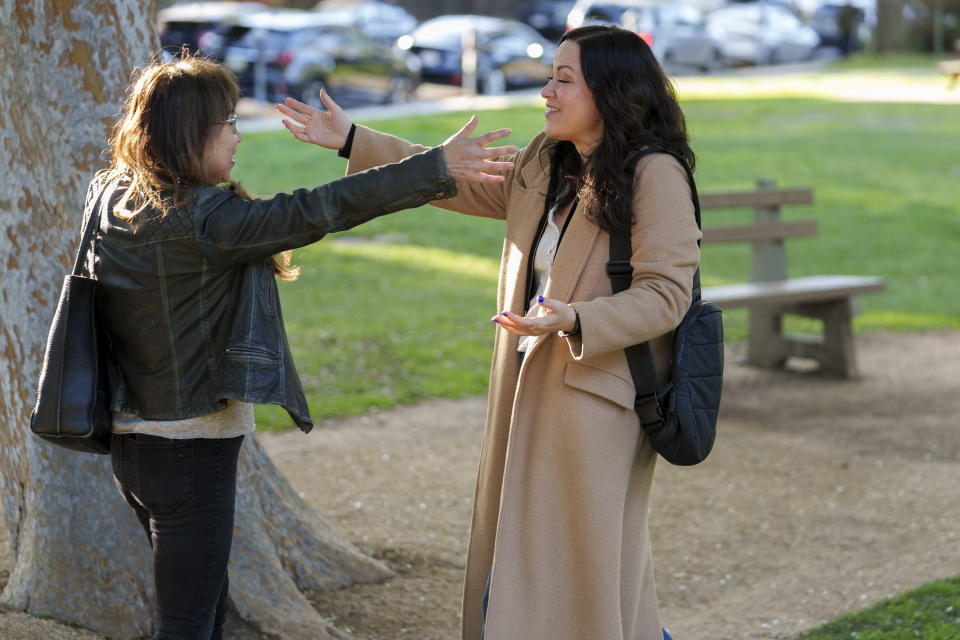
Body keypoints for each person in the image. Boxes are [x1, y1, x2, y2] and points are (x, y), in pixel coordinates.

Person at [279, 24, 700, 640]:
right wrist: (352, 139)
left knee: (586, 578)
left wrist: (577, 318)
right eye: (549, 78)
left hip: (598, 407)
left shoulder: (655, 173)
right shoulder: (546, 159)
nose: (547, 93)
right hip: (531, 390)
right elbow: (467, 184)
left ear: (610, 91)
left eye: (563, 80)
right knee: (527, 567)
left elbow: (667, 295)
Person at [90, 53, 516, 639]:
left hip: (131, 443)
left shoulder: (115, 197)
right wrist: (433, 166)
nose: (238, 135)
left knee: (202, 610)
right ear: (191, 133)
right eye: (229, 123)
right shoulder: (208, 222)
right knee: (189, 621)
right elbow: (321, 209)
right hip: (188, 444)